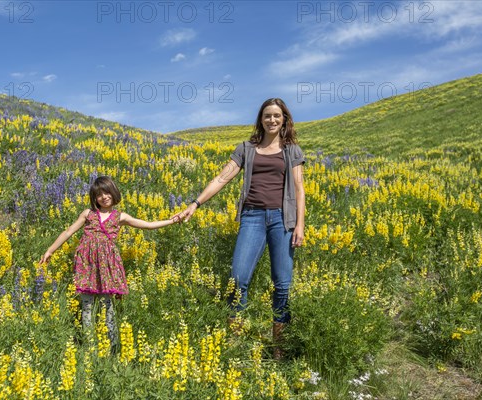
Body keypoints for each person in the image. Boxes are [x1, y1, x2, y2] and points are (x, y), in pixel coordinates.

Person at [177, 98, 305, 359]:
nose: (272, 120)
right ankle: (235, 342)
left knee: (282, 283)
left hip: (283, 220)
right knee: (238, 279)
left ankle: (278, 345)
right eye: (267, 115)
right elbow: (223, 177)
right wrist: (195, 203)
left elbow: (299, 189)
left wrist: (300, 225)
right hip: (252, 217)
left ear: (284, 120)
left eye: (277, 116)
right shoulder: (246, 148)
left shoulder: (292, 150)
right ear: (260, 119)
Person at [40, 176, 178, 345]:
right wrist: (50, 250)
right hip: (87, 264)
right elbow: (69, 232)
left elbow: (148, 225)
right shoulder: (88, 214)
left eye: (107, 193)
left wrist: (172, 220)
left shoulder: (120, 217)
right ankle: (89, 344)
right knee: (87, 305)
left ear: (113, 193)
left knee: (107, 305)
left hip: (108, 265)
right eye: (99, 194)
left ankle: (112, 345)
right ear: (94, 197)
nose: (104, 197)